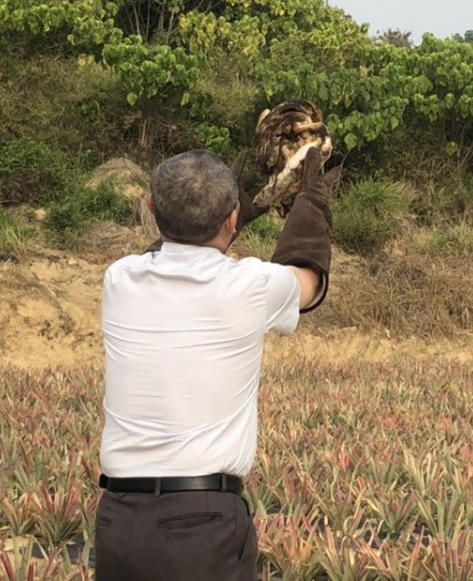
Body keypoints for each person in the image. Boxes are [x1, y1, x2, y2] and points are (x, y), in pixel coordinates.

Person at [95, 146, 339, 579]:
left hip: (118, 521)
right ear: (231, 218)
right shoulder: (249, 286)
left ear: (151, 210)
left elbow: (166, 249)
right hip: (201, 524)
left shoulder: (120, 278)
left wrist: (231, 212)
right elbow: (309, 277)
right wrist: (312, 197)